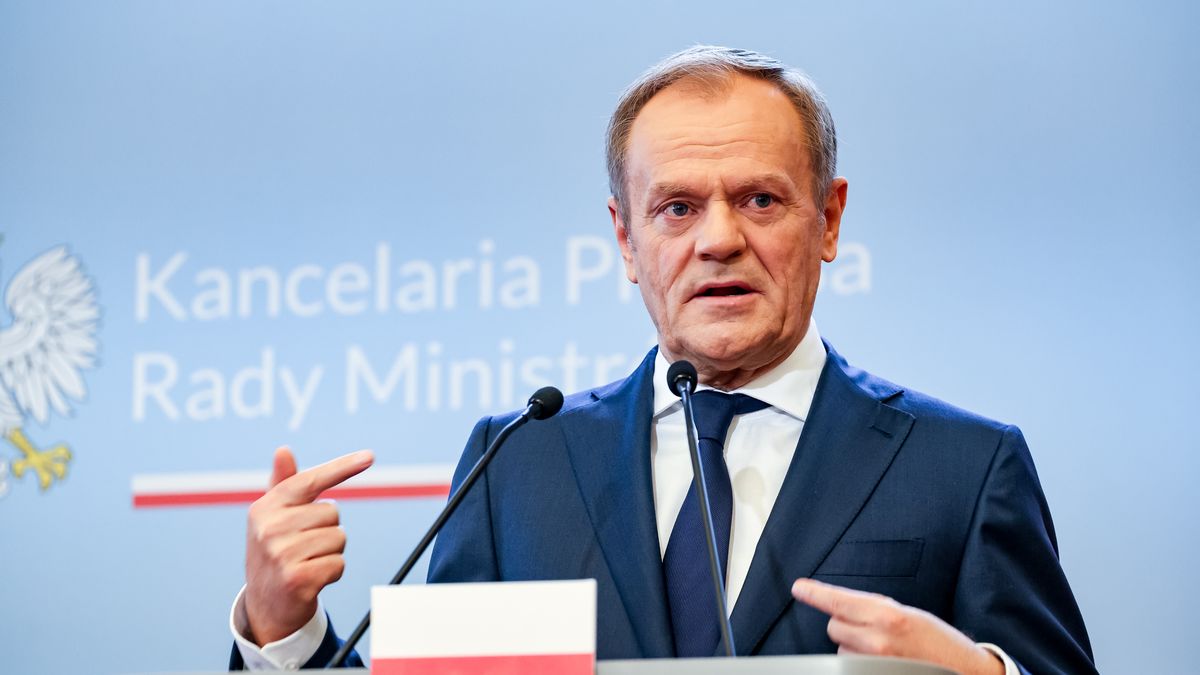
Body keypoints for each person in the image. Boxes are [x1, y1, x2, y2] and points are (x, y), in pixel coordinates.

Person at [229, 46, 1096, 674]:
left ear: (828, 220)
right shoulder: (518, 462)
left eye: (761, 199)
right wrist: (285, 631)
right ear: (626, 237)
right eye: (677, 208)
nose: (719, 239)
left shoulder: (965, 465)